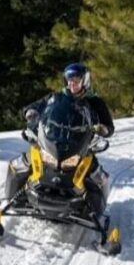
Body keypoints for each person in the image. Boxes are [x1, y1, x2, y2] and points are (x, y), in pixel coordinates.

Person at [22, 63, 114, 216]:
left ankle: (94, 213)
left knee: (97, 177)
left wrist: (103, 129)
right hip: (52, 142)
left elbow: (109, 126)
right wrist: (30, 113)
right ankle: (12, 199)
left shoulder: (95, 102)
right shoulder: (56, 97)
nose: (72, 84)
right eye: (69, 80)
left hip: (81, 146)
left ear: (84, 81)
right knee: (22, 163)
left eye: (76, 80)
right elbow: (34, 108)